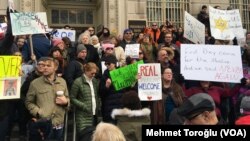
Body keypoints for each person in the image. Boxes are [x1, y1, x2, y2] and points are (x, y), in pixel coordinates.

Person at [25, 57, 69, 141]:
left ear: (55, 67)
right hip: (44, 125)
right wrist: (38, 112)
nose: (45, 67)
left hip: (59, 124)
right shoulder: (35, 83)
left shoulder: (62, 82)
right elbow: (28, 102)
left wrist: (66, 102)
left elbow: (67, 98)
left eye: (48, 65)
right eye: (44, 65)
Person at [70, 62, 101, 141]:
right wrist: (83, 106)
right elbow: (72, 98)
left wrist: (99, 104)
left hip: (94, 114)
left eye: (95, 73)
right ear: (86, 71)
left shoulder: (94, 81)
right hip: (82, 116)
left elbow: (97, 95)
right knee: (84, 138)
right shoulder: (78, 81)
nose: (94, 75)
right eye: (92, 73)